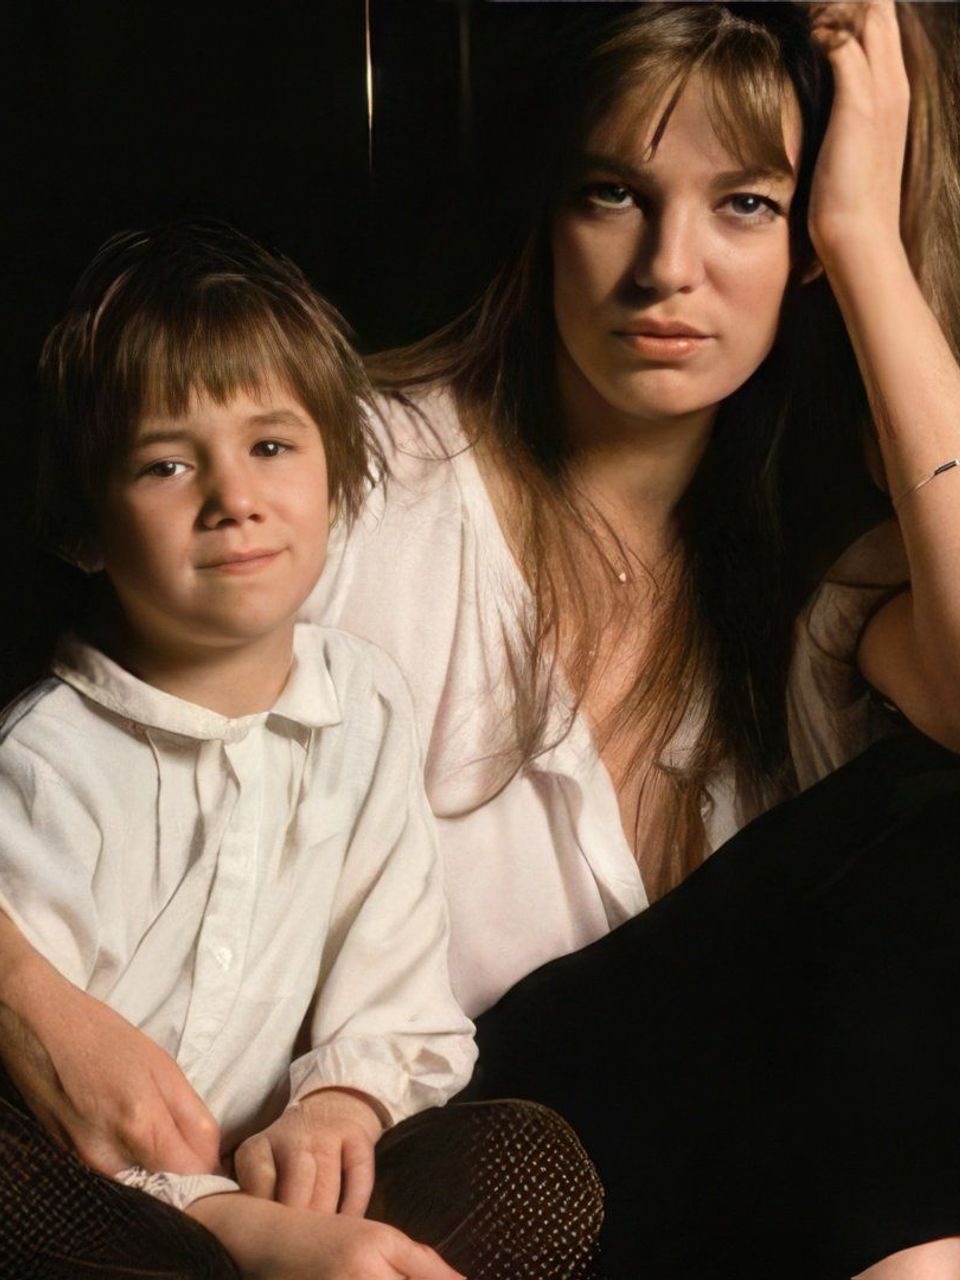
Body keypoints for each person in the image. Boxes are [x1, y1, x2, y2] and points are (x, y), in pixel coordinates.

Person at [3, 1, 960, 1276]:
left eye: (747, 205)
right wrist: (28, 998)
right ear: (546, 213)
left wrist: (869, 244)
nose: (668, 268)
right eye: (613, 194)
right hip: (413, 1172)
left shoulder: (829, 577)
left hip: (701, 1198)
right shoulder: (341, 477)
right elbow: (65, 748)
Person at [0, 223, 603, 1280]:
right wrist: (244, 1226)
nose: (233, 499)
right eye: (165, 464)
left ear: (339, 476)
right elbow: (63, 1102)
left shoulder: (365, 703)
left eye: (271, 447)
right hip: (103, 1200)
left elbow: (392, 971)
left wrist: (339, 1105)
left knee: (528, 1170)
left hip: (278, 1185)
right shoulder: (50, 760)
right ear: (86, 528)